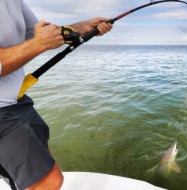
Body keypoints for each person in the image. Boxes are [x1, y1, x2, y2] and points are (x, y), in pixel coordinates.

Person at [0, 0, 113, 189]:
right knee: (48, 181)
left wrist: (82, 27)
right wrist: (38, 44)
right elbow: (38, 42)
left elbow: (35, 36)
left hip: (17, 101)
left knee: (43, 155)